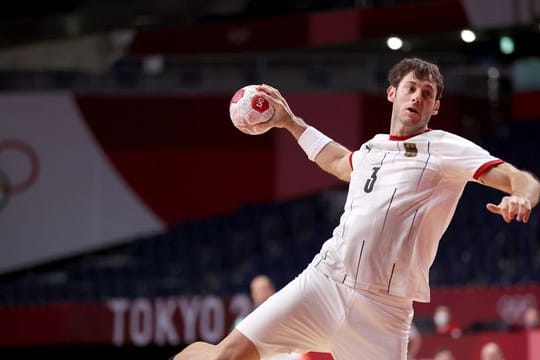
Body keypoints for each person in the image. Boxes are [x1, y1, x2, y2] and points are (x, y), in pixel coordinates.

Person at [172, 57, 540, 360]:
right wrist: (290, 122)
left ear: (436, 106)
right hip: (326, 281)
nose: (417, 97)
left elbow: (519, 178)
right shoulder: (373, 148)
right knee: (227, 356)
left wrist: (521, 196)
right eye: (411, 88)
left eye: (427, 94)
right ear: (392, 93)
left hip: (383, 311)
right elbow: (338, 161)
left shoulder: (445, 148)